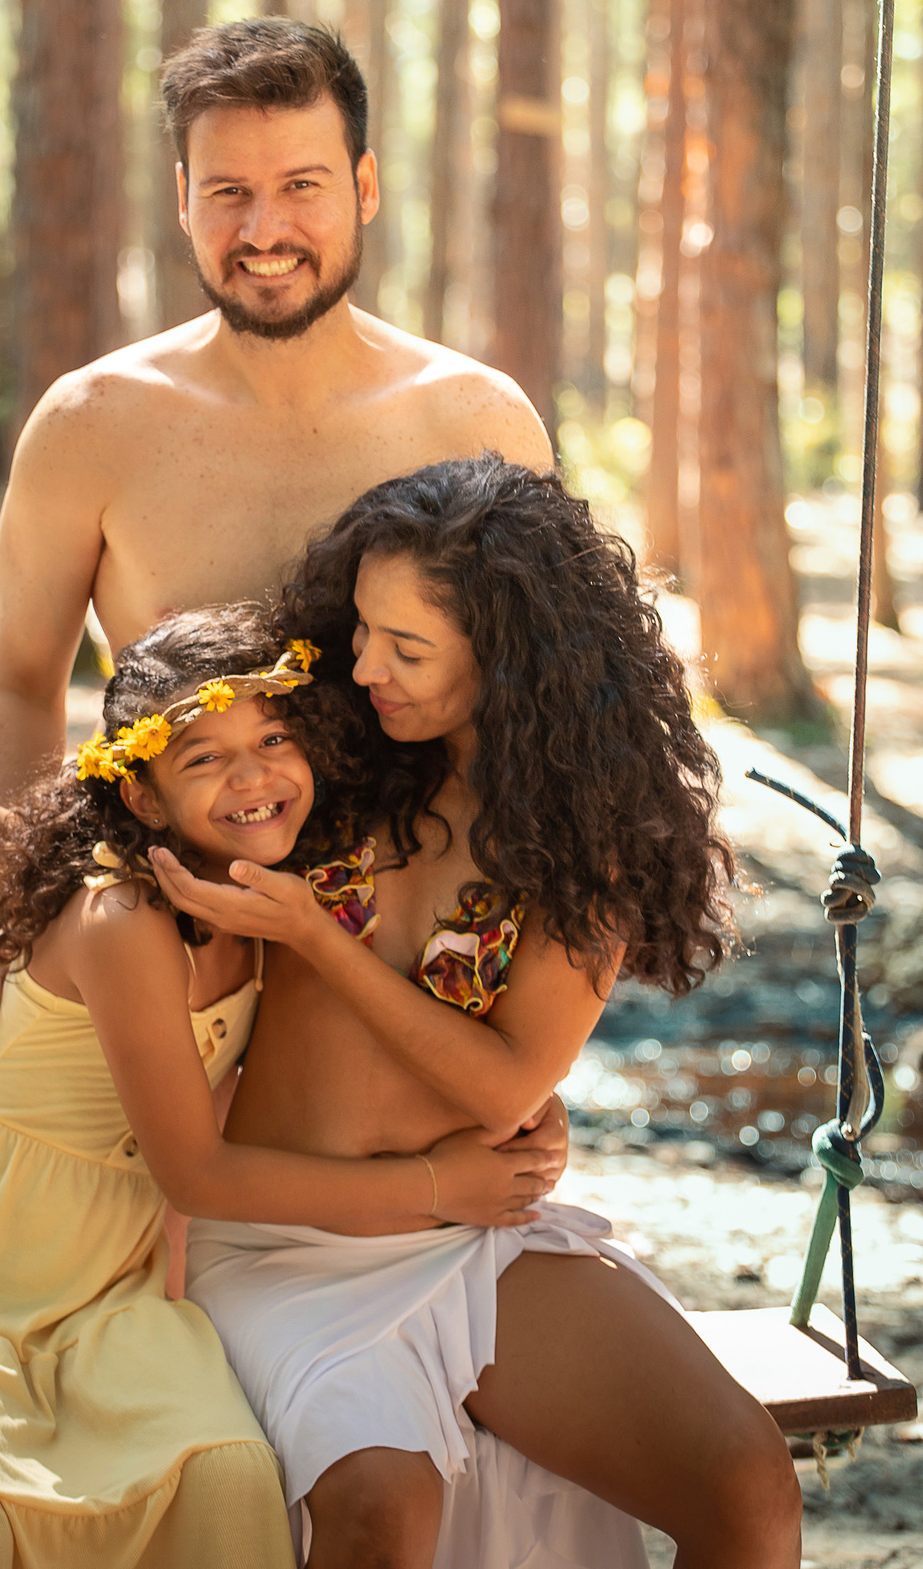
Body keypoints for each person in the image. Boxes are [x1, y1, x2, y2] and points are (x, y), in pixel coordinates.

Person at [0, 607, 545, 1569]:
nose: (254, 775)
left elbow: (20, 853)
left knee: (226, 1476)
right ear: (143, 799)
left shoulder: (269, 890)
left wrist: (523, 1103)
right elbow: (197, 1175)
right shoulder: (125, 913)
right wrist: (443, 1186)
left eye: (274, 738)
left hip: (119, 1292)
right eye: (204, 760)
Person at [148, 457, 804, 1569]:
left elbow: (508, 1085)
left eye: (407, 650)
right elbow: (107, 819)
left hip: (471, 1239)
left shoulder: (586, 830)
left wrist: (320, 937)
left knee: (747, 1485)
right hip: (277, 1245)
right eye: (361, 629)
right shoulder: (326, 749)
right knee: (381, 1511)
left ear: (511, 661)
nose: (365, 668)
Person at [0, 17, 552, 1102]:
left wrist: (527, 1049)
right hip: (164, 953)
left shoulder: (475, 417)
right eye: (227, 194)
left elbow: (536, 717)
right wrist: (0, 925)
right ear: (182, 200)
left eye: (301, 185)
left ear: (364, 185)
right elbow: (21, 683)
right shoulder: (93, 422)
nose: (264, 230)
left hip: (397, 980)